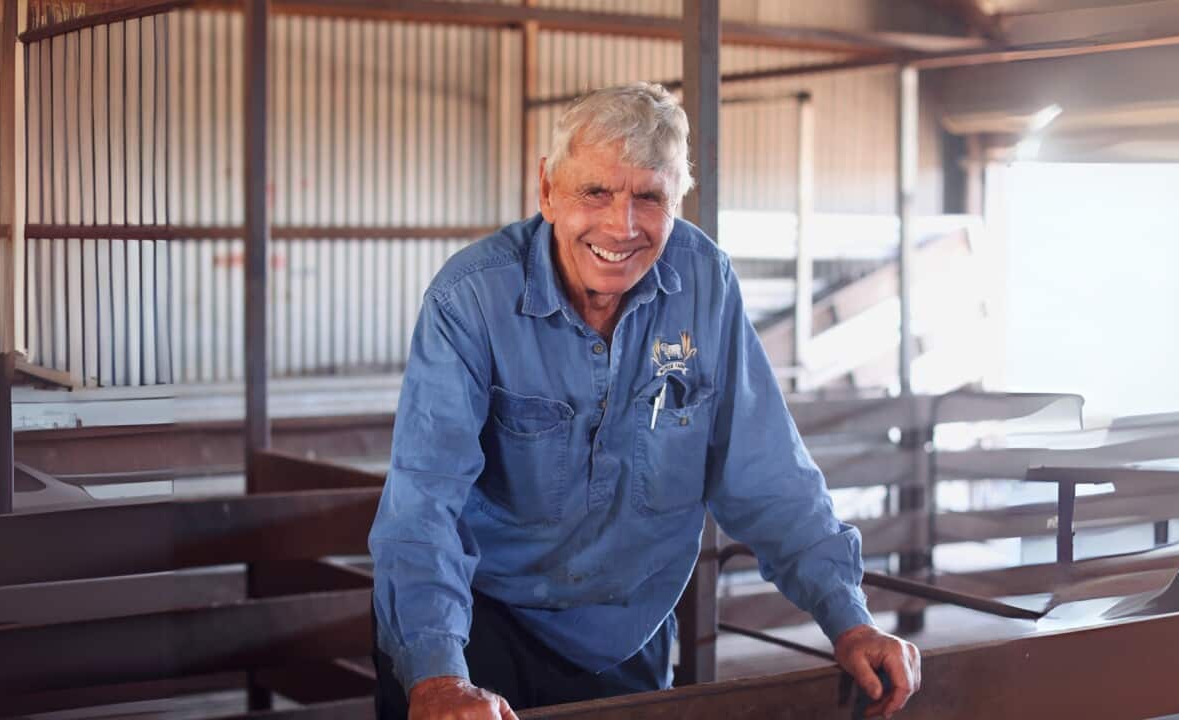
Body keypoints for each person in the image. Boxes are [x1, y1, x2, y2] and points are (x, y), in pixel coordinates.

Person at [368, 82, 921, 720]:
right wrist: (436, 675)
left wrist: (849, 620)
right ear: (548, 189)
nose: (621, 226)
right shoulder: (470, 299)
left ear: (676, 202)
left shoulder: (704, 282)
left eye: (649, 197)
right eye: (595, 192)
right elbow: (424, 503)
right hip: (473, 627)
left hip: (625, 638)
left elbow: (769, 475)